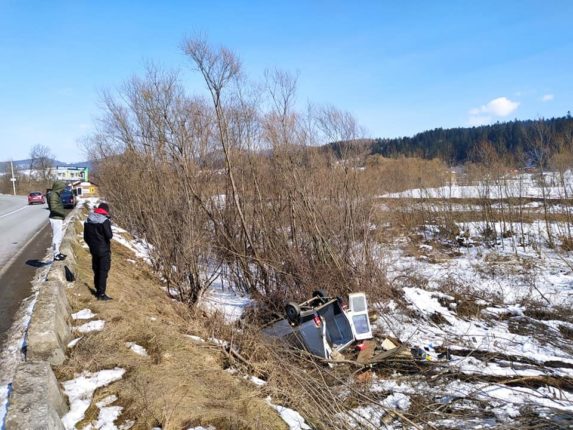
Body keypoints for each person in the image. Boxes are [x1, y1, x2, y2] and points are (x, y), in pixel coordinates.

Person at [83, 202, 113, 301]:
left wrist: (91, 245)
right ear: (106, 211)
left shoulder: (89, 219)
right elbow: (109, 236)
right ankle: (101, 294)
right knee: (103, 271)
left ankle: (97, 290)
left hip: (93, 249)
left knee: (96, 269)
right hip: (104, 250)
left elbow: (85, 237)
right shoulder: (104, 221)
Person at [47, 180, 67, 261]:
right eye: (62, 188)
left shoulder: (54, 194)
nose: (63, 190)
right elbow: (54, 208)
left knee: (58, 237)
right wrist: (63, 213)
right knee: (56, 237)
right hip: (56, 218)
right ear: (59, 187)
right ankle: (56, 254)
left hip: (57, 218)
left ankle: (57, 252)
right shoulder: (53, 195)